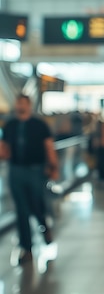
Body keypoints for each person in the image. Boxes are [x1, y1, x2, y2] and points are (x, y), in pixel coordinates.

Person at [0, 94, 59, 265]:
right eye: (18, 103)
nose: (20, 106)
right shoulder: (10, 125)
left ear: (29, 105)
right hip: (16, 170)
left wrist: (53, 167)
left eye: (23, 103)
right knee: (21, 210)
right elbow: (4, 148)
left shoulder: (39, 125)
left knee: (36, 205)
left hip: (36, 170)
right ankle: (27, 248)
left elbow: (49, 147)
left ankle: (44, 228)